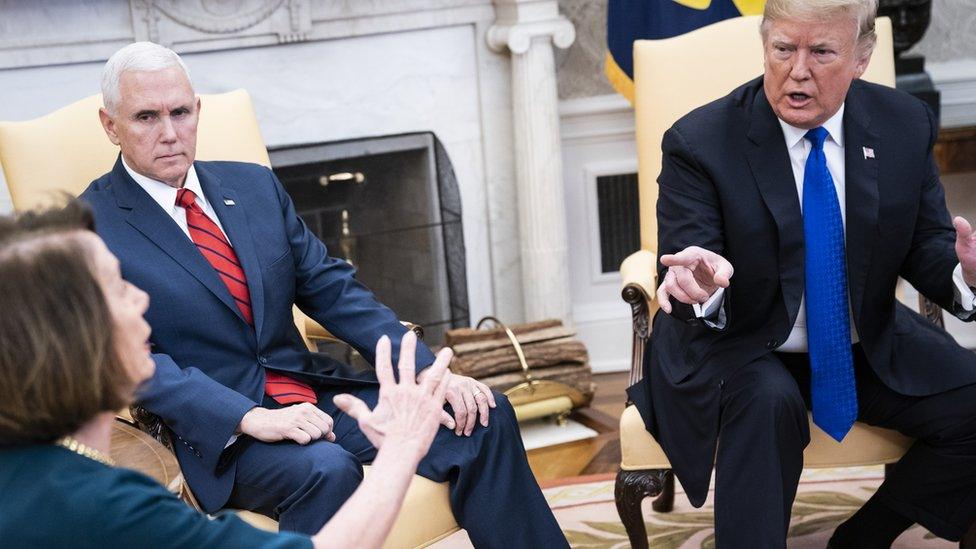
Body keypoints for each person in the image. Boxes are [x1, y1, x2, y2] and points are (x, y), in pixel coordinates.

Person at [79, 41, 566, 547]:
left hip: (314, 394)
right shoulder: (89, 227)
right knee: (326, 468)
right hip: (220, 434)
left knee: (483, 416)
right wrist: (251, 418)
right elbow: (128, 361)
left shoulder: (253, 187)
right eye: (145, 117)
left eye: (180, 112)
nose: (170, 133)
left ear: (198, 109)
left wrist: (422, 370)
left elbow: (332, 288)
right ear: (110, 125)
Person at [628, 0, 976, 546]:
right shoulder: (700, 142)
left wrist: (966, 273)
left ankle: (864, 536)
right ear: (765, 45)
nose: (798, 70)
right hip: (741, 342)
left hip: (862, 339)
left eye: (821, 52)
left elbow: (926, 244)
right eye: (783, 48)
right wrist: (700, 290)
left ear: (862, 58)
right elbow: (689, 257)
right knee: (768, 402)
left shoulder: (903, 124)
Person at [0, 201, 454, 548]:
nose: (141, 299)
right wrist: (402, 446)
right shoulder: (113, 510)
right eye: (119, 288)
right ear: (71, 338)